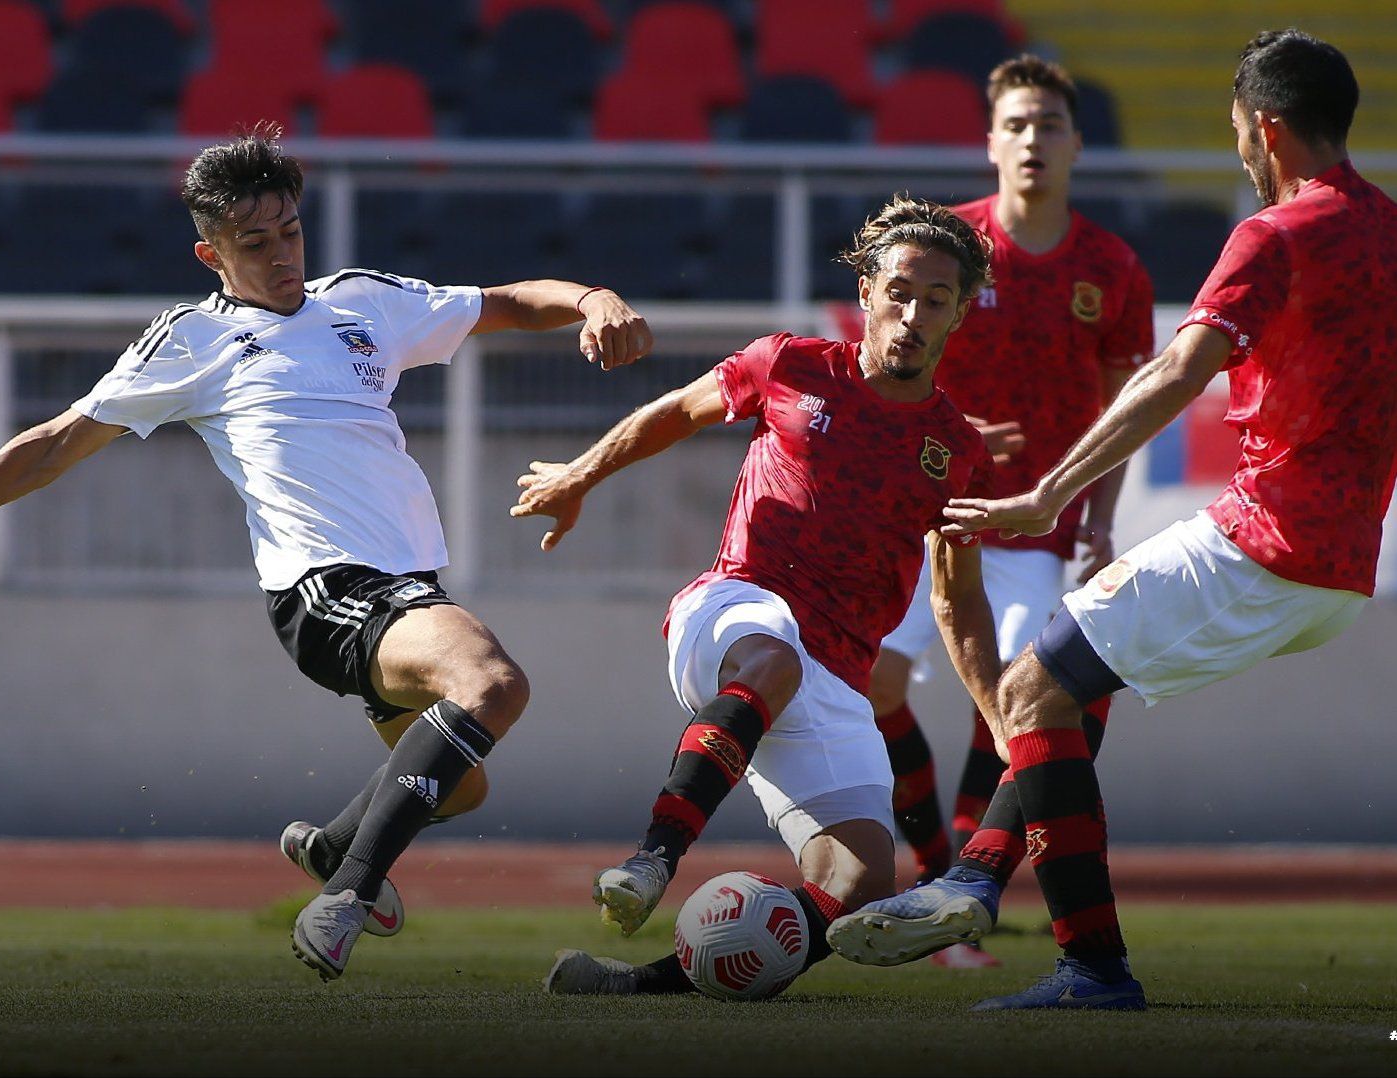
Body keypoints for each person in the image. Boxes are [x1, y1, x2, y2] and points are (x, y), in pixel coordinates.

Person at [0, 126, 653, 982]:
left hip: (407, 591)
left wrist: (592, 297)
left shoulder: (362, 304)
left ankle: (332, 842)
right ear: (210, 253)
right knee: (491, 683)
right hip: (325, 592)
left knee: (459, 784)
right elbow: (51, 444)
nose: (280, 256)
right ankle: (349, 890)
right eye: (253, 243)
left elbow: (507, 301)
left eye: (290, 231)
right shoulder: (194, 340)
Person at [827, 29, 1395, 1011]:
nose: (1240, 154)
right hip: (1341, 573)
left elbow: (1177, 369)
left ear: (1265, 128)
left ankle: (1085, 963)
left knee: (1037, 683)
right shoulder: (1388, 229)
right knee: (1068, 682)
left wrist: (1051, 492)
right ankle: (972, 878)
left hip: (1265, 538)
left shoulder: (1274, 234)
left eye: (1237, 135)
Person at [515, 195, 1001, 995]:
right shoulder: (790, 364)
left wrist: (998, 708)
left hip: (835, 674)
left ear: (957, 315)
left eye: (935, 300)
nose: (913, 314)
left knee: (860, 881)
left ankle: (638, 987)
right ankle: (651, 860)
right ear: (868, 293)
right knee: (772, 658)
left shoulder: (956, 449)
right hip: (737, 607)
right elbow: (675, 411)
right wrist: (579, 476)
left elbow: (958, 598)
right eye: (900, 292)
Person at [866, 55, 1154, 968]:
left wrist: (1098, 517)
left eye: (1050, 125)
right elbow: (879, 370)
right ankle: (935, 878)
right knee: (874, 686)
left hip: (1033, 532)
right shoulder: (946, 248)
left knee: (1014, 704)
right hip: (931, 517)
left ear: (1075, 142)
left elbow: (1122, 407)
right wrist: (946, 430)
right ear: (991, 141)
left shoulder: (1108, 267)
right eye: (1017, 124)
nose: (1033, 140)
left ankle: (959, 902)